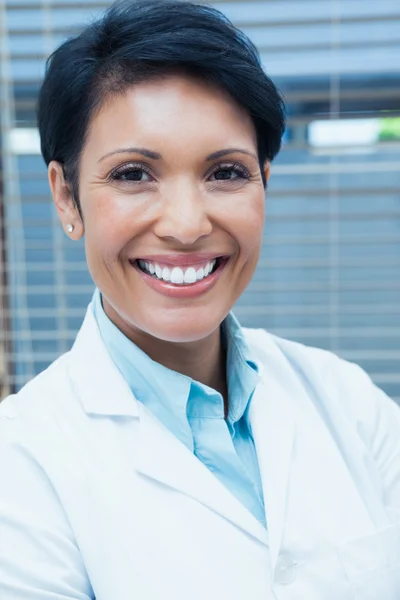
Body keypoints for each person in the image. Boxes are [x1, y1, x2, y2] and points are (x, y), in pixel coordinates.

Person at [1, 0, 399, 598]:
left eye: (227, 173)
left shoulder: (347, 402)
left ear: (265, 179)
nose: (186, 225)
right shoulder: (21, 466)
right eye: (134, 174)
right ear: (65, 198)